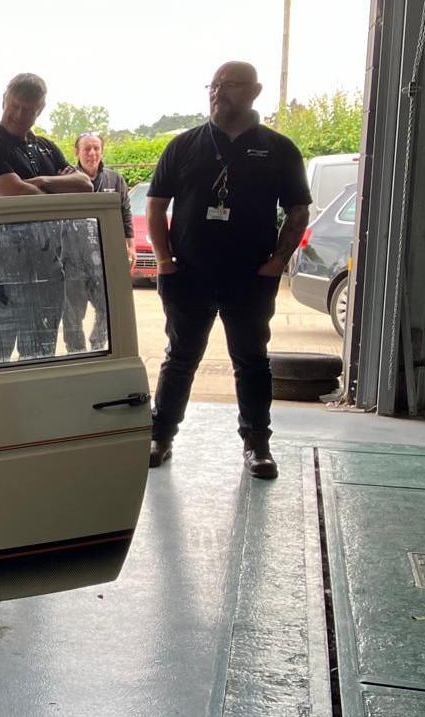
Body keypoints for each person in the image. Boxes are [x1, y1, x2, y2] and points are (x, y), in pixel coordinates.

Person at [146, 61, 311, 479]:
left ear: (254, 91)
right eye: (214, 84)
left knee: (252, 361)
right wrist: (164, 261)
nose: (218, 92)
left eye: (230, 85)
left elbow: (298, 208)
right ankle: (160, 436)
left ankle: (257, 444)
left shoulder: (279, 149)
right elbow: (156, 203)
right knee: (180, 358)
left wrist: (276, 264)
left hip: (249, 279)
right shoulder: (184, 146)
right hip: (189, 276)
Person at [0, 73, 92, 361]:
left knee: (40, 360)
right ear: (3, 101)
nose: (20, 115)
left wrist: (40, 181)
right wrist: (58, 185)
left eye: (29, 109)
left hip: (48, 272)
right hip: (0, 278)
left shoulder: (46, 146)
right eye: (15, 106)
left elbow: (86, 185)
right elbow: (17, 194)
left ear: (40, 110)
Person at [60, 132, 133, 352]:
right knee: (72, 313)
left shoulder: (115, 179)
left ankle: (97, 344)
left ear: (102, 151)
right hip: (72, 259)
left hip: (104, 258)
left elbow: (125, 213)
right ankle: (76, 351)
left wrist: (131, 246)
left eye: (96, 148)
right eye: (86, 149)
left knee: (108, 307)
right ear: (77, 152)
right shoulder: (65, 180)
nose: (92, 153)